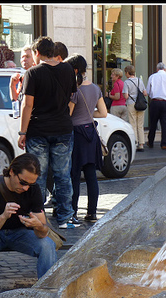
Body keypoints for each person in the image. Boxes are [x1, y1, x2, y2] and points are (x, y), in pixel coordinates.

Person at [0, 154, 57, 298]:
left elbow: (43, 232)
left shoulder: (33, 190)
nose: (25, 188)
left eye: (30, 184)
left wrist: (37, 225)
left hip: (20, 233)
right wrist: (3, 216)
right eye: (23, 182)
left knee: (47, 245)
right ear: (11, 171)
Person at [18, 35, 79, 229]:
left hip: (38, 130)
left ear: (37, 53)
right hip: (62, 128)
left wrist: (22, 132)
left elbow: (28, 106)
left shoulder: (33, 73)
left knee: (37, 175)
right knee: (63, 175)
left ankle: (36, 214)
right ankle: (66, 217)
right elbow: (70, 96)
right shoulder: (68, 69)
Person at [65, 54, 107, 223]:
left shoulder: (75, 88)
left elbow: (69, 113)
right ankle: (92, 212)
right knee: (91, 175)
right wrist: (89, 114)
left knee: (74, 175)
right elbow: (103, 113)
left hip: (77, 134)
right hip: (91, 133)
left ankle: (73, 212)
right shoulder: (95, 88)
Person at [145, 62, 166, 150]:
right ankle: (164, 143)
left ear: (157, 69)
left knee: (153, 123)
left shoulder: (152, 77)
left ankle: (150, 141)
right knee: (165, 124)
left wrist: (153, 94)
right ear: (165, 69)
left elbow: (148, 91)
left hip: (155, 102)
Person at [123, 65, 148, 152]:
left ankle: (135, 142)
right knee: (140, 125)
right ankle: (141, 144)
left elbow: (126, 96)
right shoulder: (139, 80)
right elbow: (145, 93)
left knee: (133, 124)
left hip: (131, 104)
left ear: (127, 73)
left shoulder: (126, 82)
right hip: (140, 104)